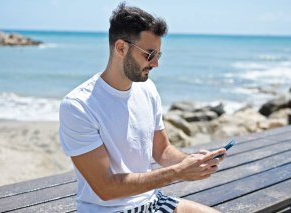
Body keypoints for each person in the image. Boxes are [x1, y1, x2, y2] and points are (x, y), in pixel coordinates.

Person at [59, 3, 226, 213]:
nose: (156, 63)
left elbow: (162, 150)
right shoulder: (78, 106)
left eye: (158, 55)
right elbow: (105, 188)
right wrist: (177, 173)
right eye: (149, 54)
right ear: (121, 48)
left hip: (154, 201)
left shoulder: (147, 89)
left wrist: (193, 163)